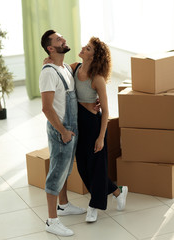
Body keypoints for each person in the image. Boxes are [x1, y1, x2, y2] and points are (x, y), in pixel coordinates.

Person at [71, 37, 128, 222]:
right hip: (78, 124)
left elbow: (105, 112)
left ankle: (94, 206)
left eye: (87, 48)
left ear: (94, 57)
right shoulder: (74, 68)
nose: (83, 48)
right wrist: (47, 61)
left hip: (93, 126)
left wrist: (101, 137)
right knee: (83, 168)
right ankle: (118, 192)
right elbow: (56, 70)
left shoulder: (98, 79)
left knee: (96, 168)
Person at [39, 30, 86, 237]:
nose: (64, 39)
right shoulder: (49, 73)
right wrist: (63, 132)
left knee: (65, 170)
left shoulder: (65, 67)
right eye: (59, 39)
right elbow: (47, 108)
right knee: (56, 174)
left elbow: (81, 68)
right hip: (62, 131)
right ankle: (51, 221)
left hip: (70, 129)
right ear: (50, 48)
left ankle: (64, 205)